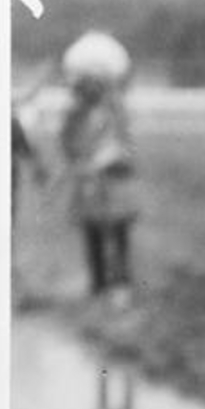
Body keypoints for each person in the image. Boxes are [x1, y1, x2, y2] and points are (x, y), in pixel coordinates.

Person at [59, 33, 139, 307]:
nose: (89, 89)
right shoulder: (74, 115)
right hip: (89, 183)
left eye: (95, 83)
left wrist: (111, 157)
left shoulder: (116, 110)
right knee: (92, 232)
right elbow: (67, 145)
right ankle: (98, 283)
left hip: (114, 181)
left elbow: (126, 145)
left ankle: (121, 284)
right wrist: (81, 163)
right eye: (85, 84)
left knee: (118, 233)